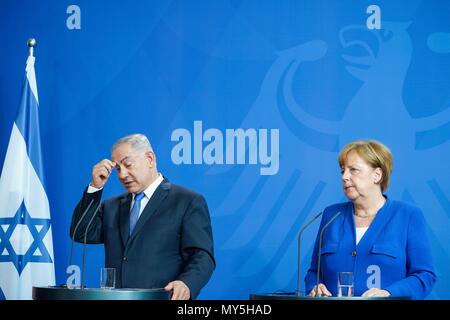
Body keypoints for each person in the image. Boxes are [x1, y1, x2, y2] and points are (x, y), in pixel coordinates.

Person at [70, 134, 215, 300]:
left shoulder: (186, 201)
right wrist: (95, 187)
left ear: (150, 159)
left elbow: (202, 256)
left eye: (128, 165)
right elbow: (81, 232)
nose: (122, 175)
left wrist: (186, 284)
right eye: (117, 169)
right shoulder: (111, 206)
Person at [305, 140, 436, 299]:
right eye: (342, 171)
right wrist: (315, 287)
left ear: (377, 175)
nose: (345, 177)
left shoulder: (408, 215)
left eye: (353, 170)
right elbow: (314, 272)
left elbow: (424, 276)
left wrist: (389, 293)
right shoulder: (331, 215)